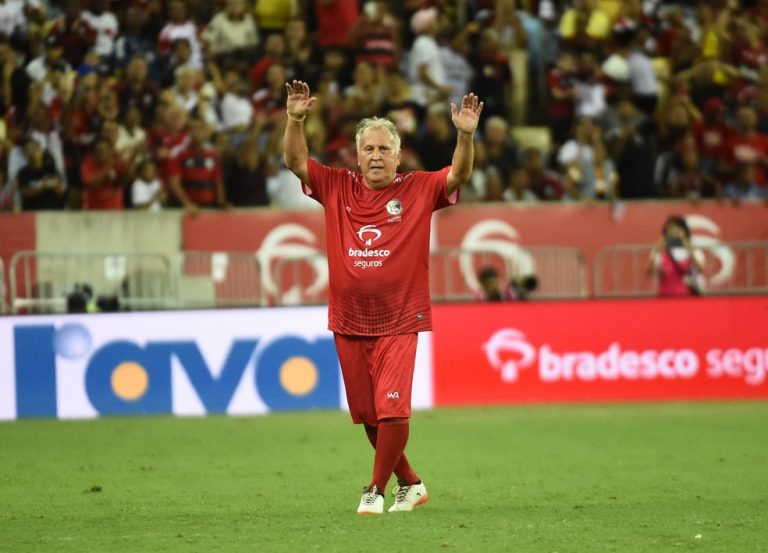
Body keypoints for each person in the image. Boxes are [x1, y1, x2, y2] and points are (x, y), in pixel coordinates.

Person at [283, 79, 482, 515]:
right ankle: (410, 483)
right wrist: (295, 120)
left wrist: (465, 136)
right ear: (357, 156)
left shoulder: (418, 188)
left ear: (398, 155)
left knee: (392, 410)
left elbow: (459, 174)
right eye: (369, 149)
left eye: (384, 149)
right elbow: (295, 161)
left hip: (400, 316)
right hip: (348, 318)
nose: (376, 156)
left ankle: (374, 489)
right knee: (369, 416)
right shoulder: (337, 185)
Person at [646, 215, 705, 298]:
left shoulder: (695, 251)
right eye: (671, 230)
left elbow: (701, 270)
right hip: (665, 296)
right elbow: (650, 272)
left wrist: (690, 251)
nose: (675, 234)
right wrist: (656, 251)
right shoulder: (660, 252)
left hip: (688, 297)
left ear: (685, 232)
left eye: (678, 230)